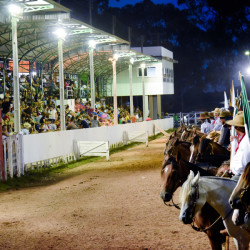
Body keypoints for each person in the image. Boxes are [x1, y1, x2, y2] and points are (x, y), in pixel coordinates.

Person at [226, 112, 250, 179]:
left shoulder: (246, 142)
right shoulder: (243, 139)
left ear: (238, 127)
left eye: (234, 126)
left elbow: (243, 164)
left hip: (240, 175)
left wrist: (233, 171)